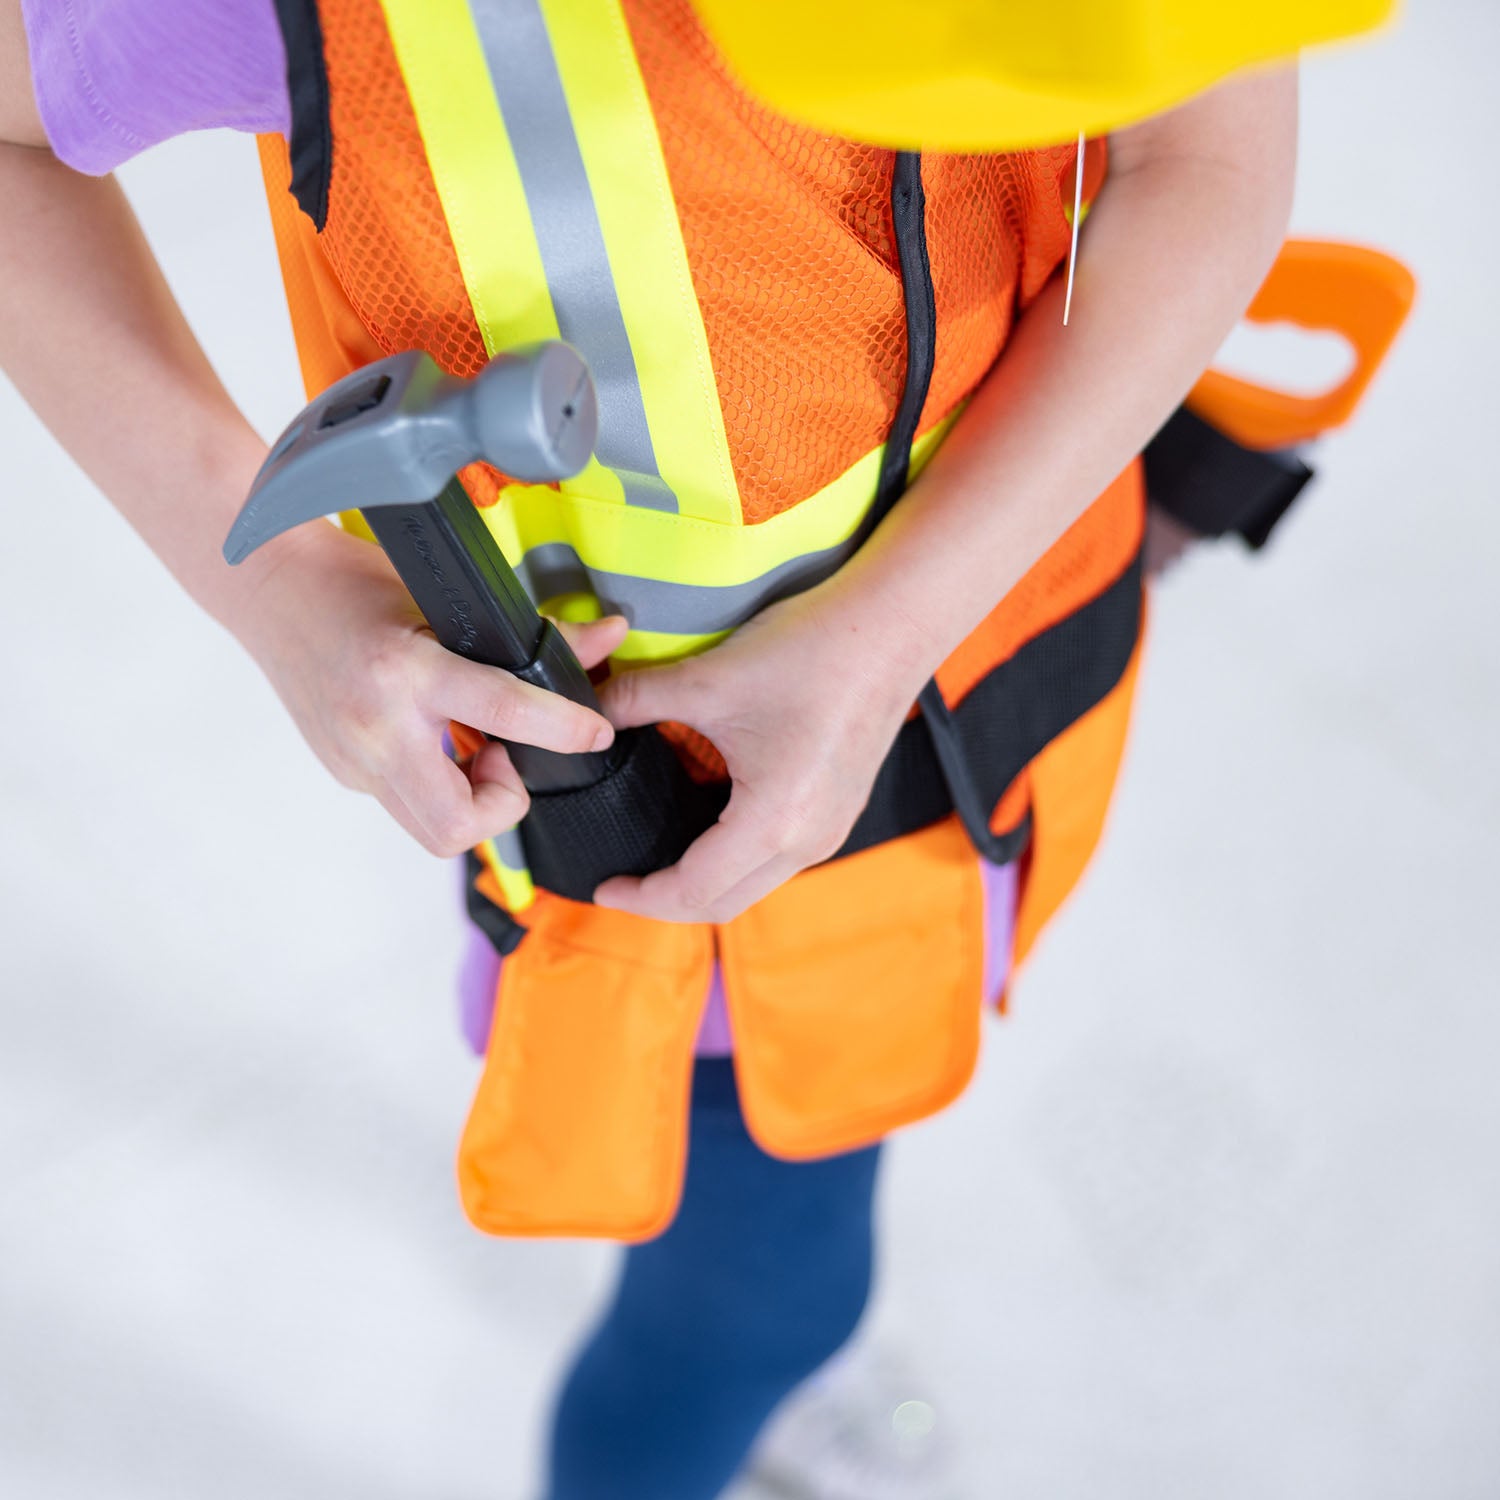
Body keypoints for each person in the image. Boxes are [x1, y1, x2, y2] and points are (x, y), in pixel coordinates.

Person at [0, 1, 1315, 1495]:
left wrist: (888, 635)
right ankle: (719, 1399)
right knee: (756, 1307)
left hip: (977, 719)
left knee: (755, 1259)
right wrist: (274, 589)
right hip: (680, 854)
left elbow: (1207, 153)